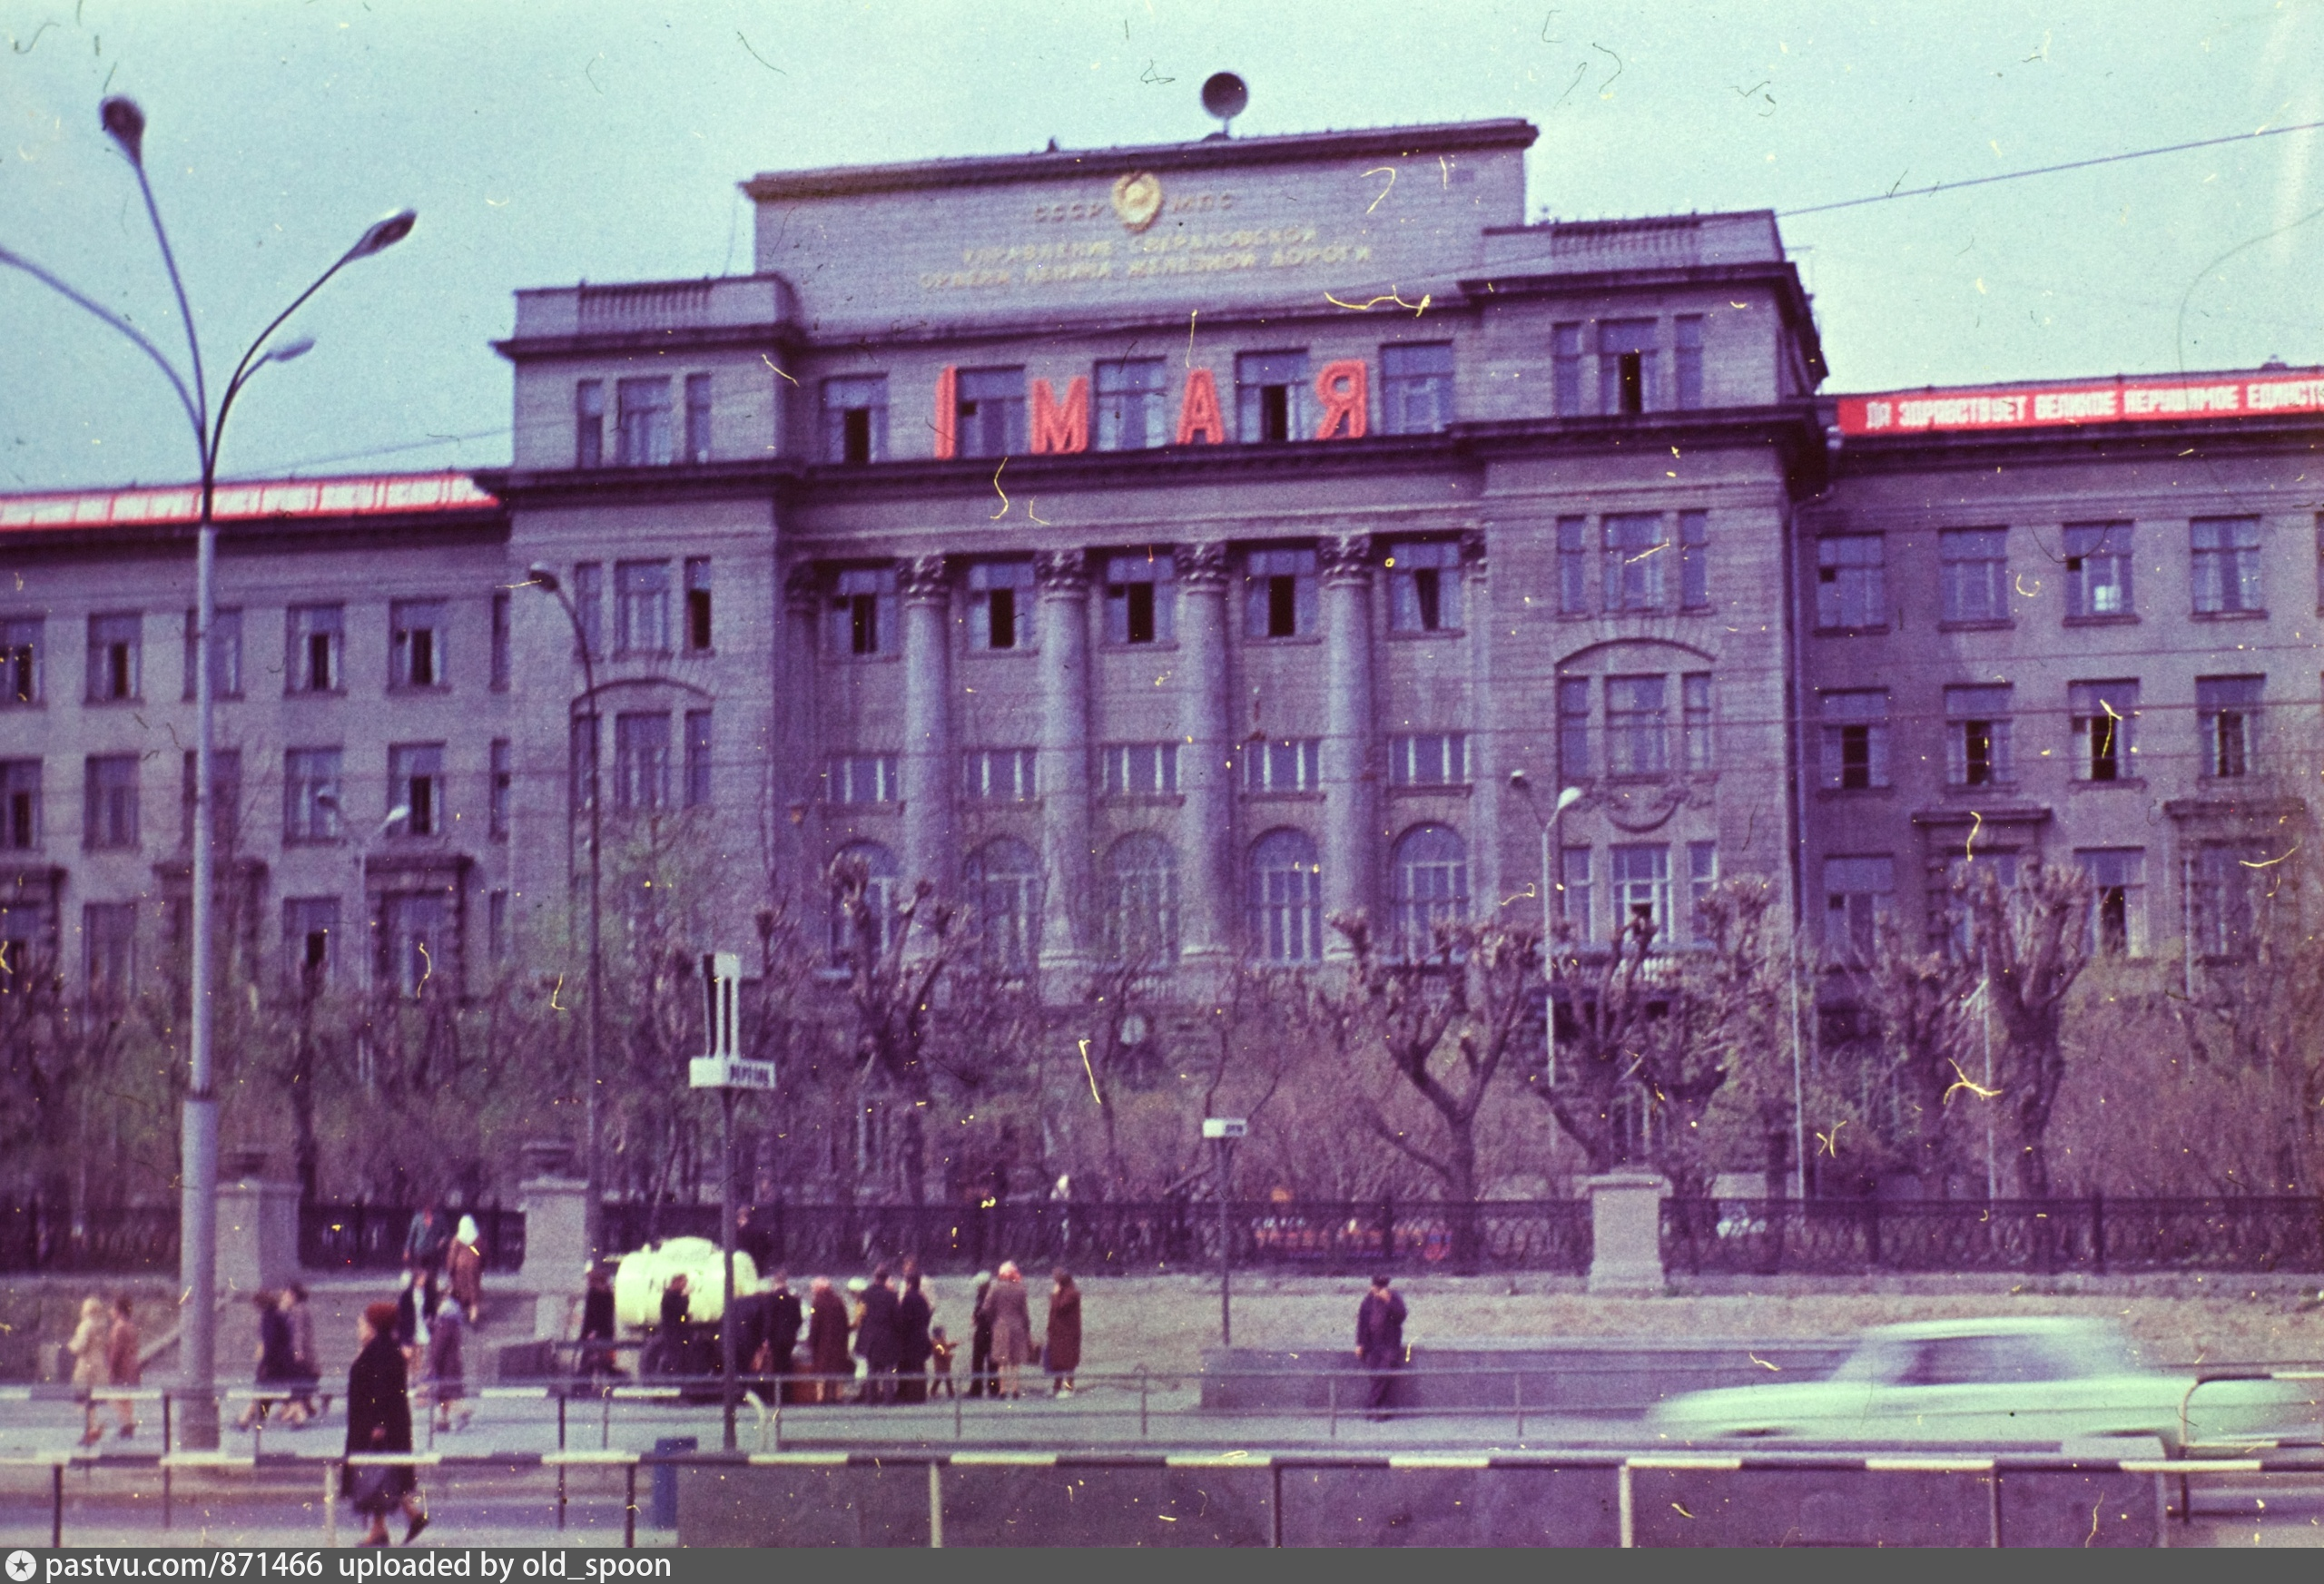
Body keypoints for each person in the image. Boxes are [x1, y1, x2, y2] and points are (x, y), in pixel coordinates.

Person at [345, 1301, 427, 1547]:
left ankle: (386, 1529)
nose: (359, 1327)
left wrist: (378, 1424)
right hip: (381, 1425)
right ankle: (398, 1522)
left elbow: (380, 1389)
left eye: (362, 1323)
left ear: (373, 1325)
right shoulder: (382, 1347)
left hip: (376, 1427)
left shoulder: (379, 1350)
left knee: (375, 1476)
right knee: (381, 1476)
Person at [238, 1290, 306, 1431]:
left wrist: (264, 1363)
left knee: (261, 1394)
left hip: (274, 1364)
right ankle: (299, 1417)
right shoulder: (279, 1314)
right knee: (289, 1395)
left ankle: (245, 1420)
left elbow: (270, 1342)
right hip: (285, 1362)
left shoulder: (268, 1317)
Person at [1355, 1273, 1408, 1422]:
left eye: (1380, 1287)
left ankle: (1372, 1407)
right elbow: (1362, 1323)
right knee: (1376, 1376)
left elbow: (1401, 1316)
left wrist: (1389, 1302)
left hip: (1389, 1344)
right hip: (1372, 1345)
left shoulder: (1393, 1298)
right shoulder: (1367, 1301)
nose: (1377, 1290)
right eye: (1376, 1287)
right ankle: (1382, 1410)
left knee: (1383, 1374)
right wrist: (1360, 1344)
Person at [980, 1262, 1033, 1401]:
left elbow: (986, 1308)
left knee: (1001, 1361)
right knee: (1015, 1361)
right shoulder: (1021, 1289)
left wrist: (994, 1319)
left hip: (1000, 1326)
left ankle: (1003, 1389)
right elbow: (1024, 1312)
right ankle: (1015, 1389)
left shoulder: (995, 1287)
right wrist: (1027, 1327)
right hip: (1017, 1326)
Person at [68, 1295, 111, 1446]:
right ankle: (93, 1428)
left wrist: (71, 1346)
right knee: (92, 1400)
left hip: (86, 1366)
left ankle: (91, 1429)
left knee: (82, 1400)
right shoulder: (102, 1325)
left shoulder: (86, 1325)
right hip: (99, 1366)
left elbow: (81, 1345)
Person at [854, 1265, 901, 1405]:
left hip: (870, 1337)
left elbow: (860, 1315)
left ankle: (871, 1399)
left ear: (875, 1277)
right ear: (886, 1279)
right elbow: (897, 1318)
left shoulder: (865, 1294)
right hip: (887, 1337)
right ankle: (888, 1399)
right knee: (888, 1370)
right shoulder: (891, 1296)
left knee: (871, 1369)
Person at [756, 1271, 803, 1407]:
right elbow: (798, 1320)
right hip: (789, 1339)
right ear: (785, 1282)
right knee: (787, 1366)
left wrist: (765, 1338)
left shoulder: (769, 1299)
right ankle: (787, 1397)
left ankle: (774, 1398)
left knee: (774, 1367)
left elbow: (768, 1320)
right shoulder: (794, 1300)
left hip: (774, 1339)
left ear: (774, 1283)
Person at [805, 1276, 852, 1403]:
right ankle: (838, 1396)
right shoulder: (839, 1301)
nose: (812, 1290)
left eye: (814, 1288)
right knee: (837, 1369)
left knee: (821, 1371)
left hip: (822, 1344)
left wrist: (811, 1342)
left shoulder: (817, 1303)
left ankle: (820, 1398)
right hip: (838, 1343)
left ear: (819, 1288)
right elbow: (845, 1322)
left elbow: (815, 1325)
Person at [428, 1293, 468, 1432]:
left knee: (444, 1393)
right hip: (452, 1365)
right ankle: (443, 1420)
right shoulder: (454, 1325)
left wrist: (433, 1365)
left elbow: (438, 1347)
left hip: (444, 1366)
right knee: (444, 1394)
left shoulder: (443, 1325)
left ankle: (463, 1411)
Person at [282, 1285, 321, 1423]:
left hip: (302, 1354)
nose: (283, 1297)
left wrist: (298, 1351)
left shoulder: (298, 1310)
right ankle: (303, 1407)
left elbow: (298, 1333)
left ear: (293, 1295)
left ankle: (300, 1413)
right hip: (306, 1353)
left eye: (286, 1294)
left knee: (298, 1380)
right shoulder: (299, 1309)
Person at [104, 1295, 141, 1439]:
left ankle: (127, 1425)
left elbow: (116, 1351)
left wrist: (111, 1370)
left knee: (115, 1397)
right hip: (131, 1367)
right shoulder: (131, 1325)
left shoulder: (118, 1327)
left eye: (112, 1308)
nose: (110, 1311)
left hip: (122, 1368)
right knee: (126, 1398)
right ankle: (128, 1425)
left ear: (118, 1310)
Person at [895, 1271, 933, 1404]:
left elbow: (903, 1320)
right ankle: (919, 1394)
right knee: (919, 1366)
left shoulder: (907, 1298)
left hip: (910, 1338)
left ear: (909, 1284)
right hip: (922, 1336)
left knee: (908, 1366)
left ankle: (908, 1394)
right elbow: (927, 1316)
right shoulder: (922, 1299)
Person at [577, 1264, 618, 1382]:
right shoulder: (609, 1293)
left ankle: (583, 1387)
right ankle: (601, 1385)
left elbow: (590, 1317)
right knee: (602, 1362)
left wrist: (585, 1335)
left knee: (587, 1362)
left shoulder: (593, 1293)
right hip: (606, 1333)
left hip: (594, 1334)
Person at [1045, 1270, 1082, 1396]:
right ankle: (1056, 1387)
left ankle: (1069, 1388)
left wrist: (1054, 1295)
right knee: (1058, 1362)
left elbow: (1060, 1307)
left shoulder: (1071, 1294)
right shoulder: (1065, 1291)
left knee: (1068, 1362)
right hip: (1059, 1333)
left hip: (1068, 1334)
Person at [446, 1215, 486, 1323]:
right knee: (473, 1290)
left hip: (460, 1268)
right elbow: (479, 1253)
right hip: (474, 1267)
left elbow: (452, 1256)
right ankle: (473, 1315)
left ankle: (462, 1314)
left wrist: (450, 1269)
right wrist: (478, 1261)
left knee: (460, 1290)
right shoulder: (477, 1239)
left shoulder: (457, 1239)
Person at [966, 1271, 995, 1399]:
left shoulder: (987, 1296)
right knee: (981, 1360)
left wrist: (976, 1318)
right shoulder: (982, 1295)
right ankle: (987, 1388)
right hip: (983, 1330)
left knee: (985, 1361)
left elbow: (984, 1312)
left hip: (986, 1330)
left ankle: (982, 1388)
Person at [656, 1274, 691, 1379]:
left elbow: (681, 1315)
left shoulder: (674, 1295)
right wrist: (686, 1297)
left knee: (679, 1356)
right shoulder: (670, 1296)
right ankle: (672, 1378)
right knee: (674, 1357)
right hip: (672, 1333)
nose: (685, 1285)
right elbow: (678, 1311)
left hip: (677, 1332)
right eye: (683, 1282)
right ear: (676, 1282)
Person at [402, 1205, 450, 1275]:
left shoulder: (439, 1218)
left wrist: (442, 1240)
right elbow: (411, 1235)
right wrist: (407, 1250)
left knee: (432, 1275)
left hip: (433, 1251)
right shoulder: (417, 1218)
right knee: (420, 1275)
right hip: (420, 1251)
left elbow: (446, 1233)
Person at [928, 1326, 957, 1399]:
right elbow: (943, 1352)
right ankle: (935, 1392)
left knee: (943, 1379)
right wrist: (949, 1356)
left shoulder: (940, 1342)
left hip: (944, 1366)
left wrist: (952, 1345)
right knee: (942, 1379)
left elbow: (945, 1347)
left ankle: (949, 1392)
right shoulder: (937, 1344)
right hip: (941, 1366)